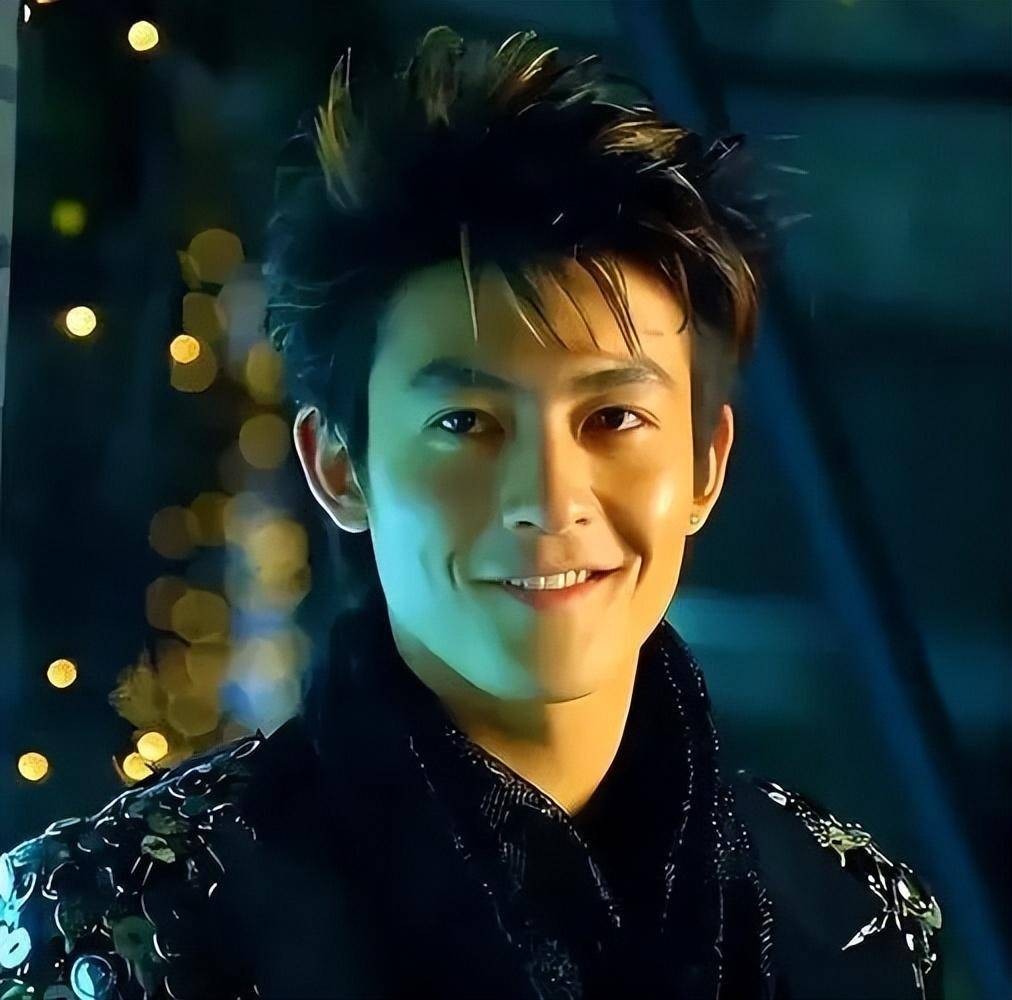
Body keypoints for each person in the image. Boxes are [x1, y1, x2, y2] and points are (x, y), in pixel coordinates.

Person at [1, 25, 941, 1000]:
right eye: (466, 422)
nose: (550, 498)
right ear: (340, 465)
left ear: (705, 462)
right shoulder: (125, 927)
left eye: (613, 418)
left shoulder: (851, 914)